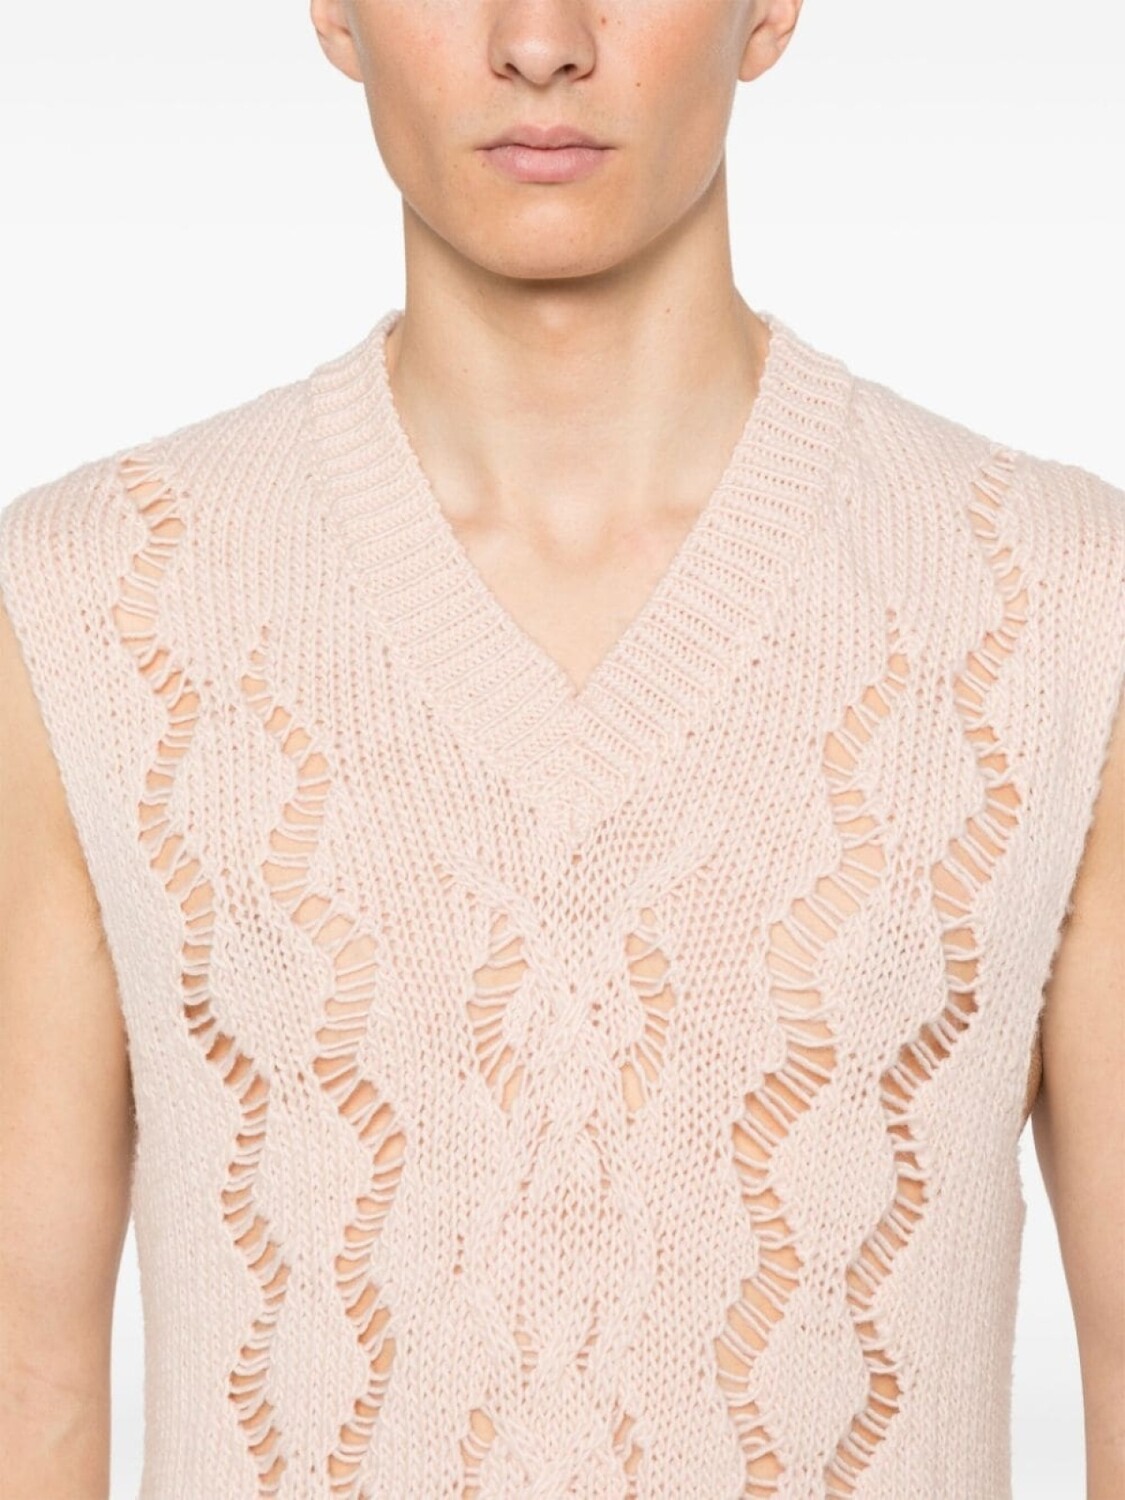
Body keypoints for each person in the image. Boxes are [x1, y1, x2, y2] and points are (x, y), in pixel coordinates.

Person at [1, 3, 1122, 1497]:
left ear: (769, 10)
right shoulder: (99, 601)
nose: (539, 40)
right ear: (333, 10)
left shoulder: (1052, 599)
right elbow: (28, 1389)